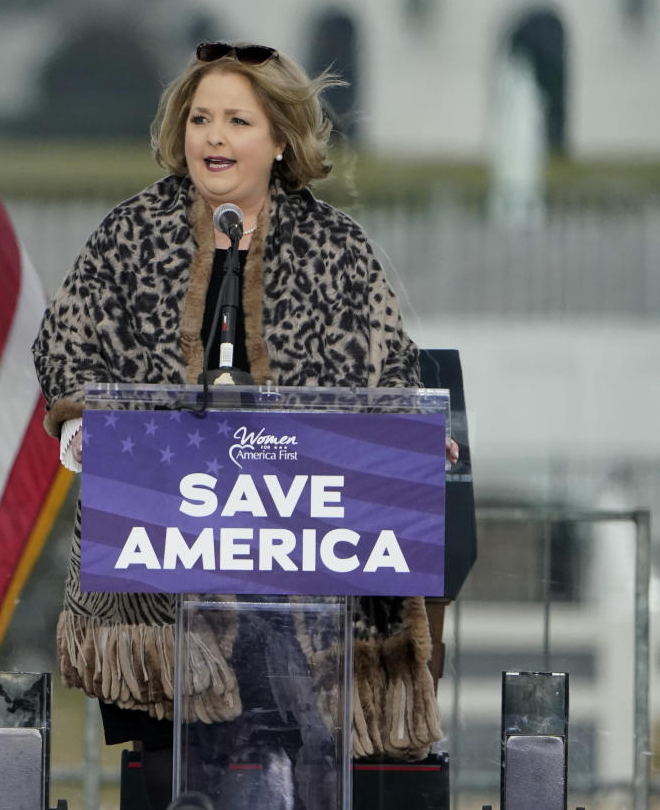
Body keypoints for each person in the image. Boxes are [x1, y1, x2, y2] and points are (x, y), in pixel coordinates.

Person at [31, 42, 446, 808]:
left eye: (235, 120)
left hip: (301, 562)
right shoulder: (131, 234)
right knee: (177, 767)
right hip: (167, 558)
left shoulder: (338, 248)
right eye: (199, 119)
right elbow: (64, 347)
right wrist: (85, 418)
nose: (212, 137)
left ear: (280, 138)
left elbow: (393, 376)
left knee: (308, 745)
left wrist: (416, 436)